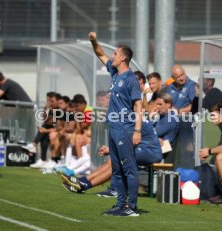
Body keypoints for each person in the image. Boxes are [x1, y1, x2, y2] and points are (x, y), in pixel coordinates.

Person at [89, 31, 142, 217]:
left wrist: (137, 131)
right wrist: (94, 40)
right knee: (117, 169)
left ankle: (132, 207)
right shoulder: (115, 73)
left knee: (129, 168)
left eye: (115, 54)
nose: (112, 56)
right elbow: (100, 53)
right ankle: (120, 204)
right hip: (113, 128)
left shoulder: (131, 79)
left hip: (125, 129)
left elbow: (138, 105)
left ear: (123, 58)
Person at [60, 120, 162, 195]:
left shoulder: (135, 119)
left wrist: (111, 150)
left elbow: (131, 142)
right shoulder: (132, 118)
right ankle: (83, 180)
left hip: (150, 152)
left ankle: (86, 185)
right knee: (113, 160)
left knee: (118, 162)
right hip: (144, 150)